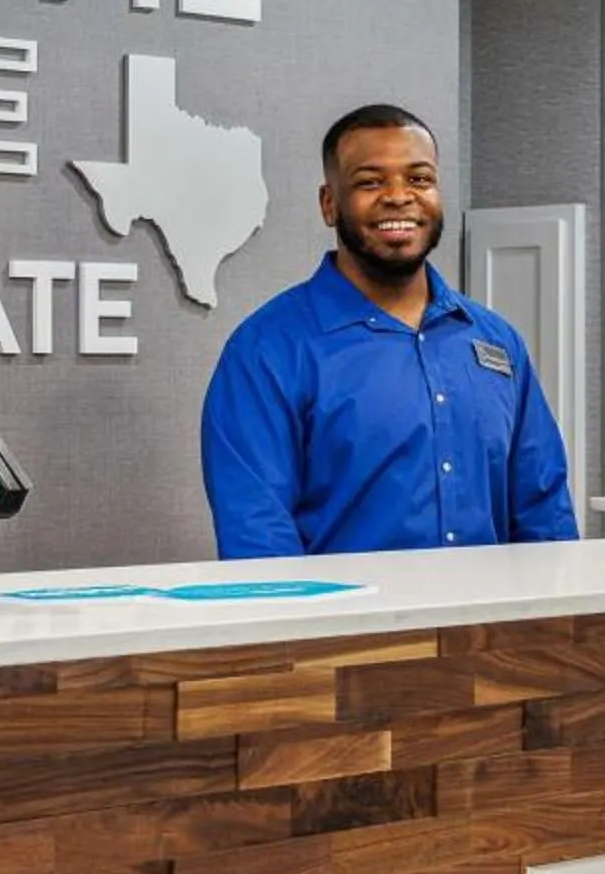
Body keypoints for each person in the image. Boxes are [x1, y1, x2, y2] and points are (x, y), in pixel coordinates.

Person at [200, 104, 579, 559]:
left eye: (419, 179)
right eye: (370, 182)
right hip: (352, 628)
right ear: (328, 204)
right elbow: (257, 536)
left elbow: (545, 513)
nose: (399, 196)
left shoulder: (496, 342)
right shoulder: (267, 350)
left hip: (487, 627)